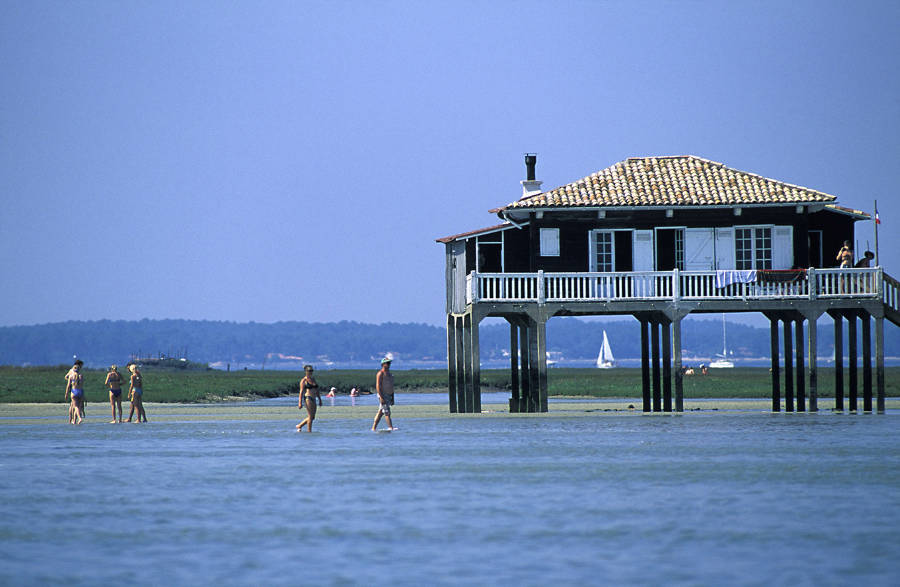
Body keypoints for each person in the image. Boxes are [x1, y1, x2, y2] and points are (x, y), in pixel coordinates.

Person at [372, 357, 396, 431]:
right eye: (387, 363)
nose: (389, 365)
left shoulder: (390, 374)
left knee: (380, 412)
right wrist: (381, 397)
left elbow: (391, 386)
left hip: (389, 395)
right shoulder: (380, 373)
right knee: (386, 411)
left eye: (389, 363)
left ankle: (373, 428)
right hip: (382, 395)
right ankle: (390, 427)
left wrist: (392, 397)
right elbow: (378, 386)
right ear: (383, 364)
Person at [296, 365, 322, 432]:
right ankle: (309, 431)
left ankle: (300, 425)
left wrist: (320, 399)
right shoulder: (304, 380)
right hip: (308, 398)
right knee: (310, 416)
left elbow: (317, 390)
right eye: (309, 371)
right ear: (306, 371)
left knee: (313, 417)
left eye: (311, 371)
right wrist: (300, 403)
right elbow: (301, 392)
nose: (311, 372)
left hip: (314, 398)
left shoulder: (313, 379)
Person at [64, 360, 85, 424]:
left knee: (74, 406)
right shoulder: (80, 374)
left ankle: (73, 420)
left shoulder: (71, 373)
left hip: (74, 390)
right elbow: (66, 377)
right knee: (76, 406)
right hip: (79, 390)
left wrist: (72, 382)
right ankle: (73, 419)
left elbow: (66, 378)